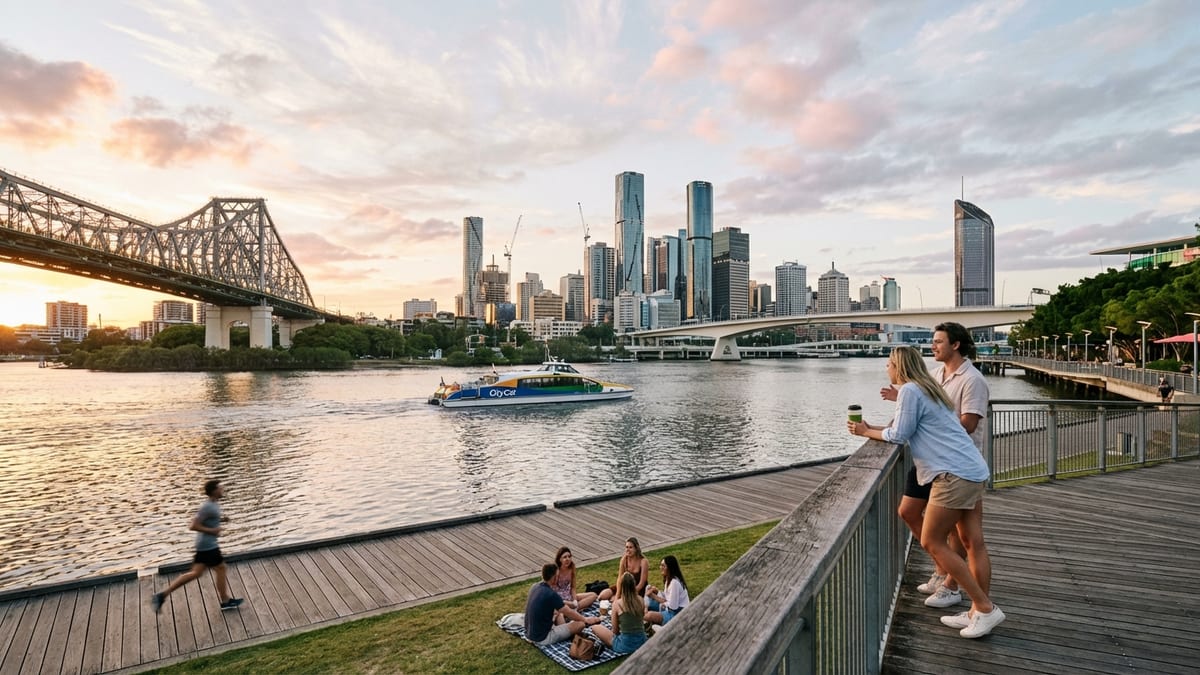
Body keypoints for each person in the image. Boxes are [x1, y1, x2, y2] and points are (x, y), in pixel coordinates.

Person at [850, 345, 1005, 638]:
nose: (887, 368)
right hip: (971, 469)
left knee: (933, 541)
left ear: (898, 366)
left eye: (888, 364)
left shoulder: (910, 390)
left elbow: (899, 435)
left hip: (952, 475)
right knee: (973, 542)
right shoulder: (929, 388)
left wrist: (865, 432)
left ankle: (985, 608)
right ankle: (975, 610)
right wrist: (875, 428)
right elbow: (918, 428)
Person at [882, 323, 992, 615]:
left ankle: (974, 602)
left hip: (954, 465)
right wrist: (908, 404)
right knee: (920, 518)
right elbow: (924, 411)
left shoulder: (972, 380)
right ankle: (973, 606)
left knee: (958, 539)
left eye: (939, 341)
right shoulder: (934, 378)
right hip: (942, 465)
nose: (933, 346)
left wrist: (923, 418)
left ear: (956, 345)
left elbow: (967, 424)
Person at [151, 479, 244, 613]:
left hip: (204, 546)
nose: (222, 489)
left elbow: (209, 519)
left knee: (196, 573)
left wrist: (222, 520)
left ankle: (162, 595)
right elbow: (193, 525)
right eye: (220, 487)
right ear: (214, 491)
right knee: (221, 568)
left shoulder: (214, 504)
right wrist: (212, 531)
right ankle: (225, 600)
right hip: (208, 546)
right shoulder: (207, 506)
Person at [524, 563, 606, 647]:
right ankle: (565, 632)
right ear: (554, 577)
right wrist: (585, 619)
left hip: (530, 633)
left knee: (558, 613)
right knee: (580, 624)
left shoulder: (535, 586)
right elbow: (568, 612)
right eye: (557, 575)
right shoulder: (550, 594)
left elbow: (561, 606)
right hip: (543, 638)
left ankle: (563, 629)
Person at [591, 572, 647, 654]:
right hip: (642, 642)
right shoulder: (641, 600)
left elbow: (615, 631)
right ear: (634, 585)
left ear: (620, 587)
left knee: (595, 627)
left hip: (625, 645)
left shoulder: (617, 604)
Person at [597, 537, 649, 602]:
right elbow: (619, 578)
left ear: (636, 548)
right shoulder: (624, 559)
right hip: (624, 586)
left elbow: (642, 583)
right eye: (626, 547)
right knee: (602, 596)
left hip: (637, 589)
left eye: (630, 547)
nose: (628, 550)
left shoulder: (643, 561)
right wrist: (618, 595)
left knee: (615, 600)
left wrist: (627, 594)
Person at [644, 555, 689, 626]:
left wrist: (653, 596)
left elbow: (672, 607)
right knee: (647, 605)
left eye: (663, 566)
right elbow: (667, 597)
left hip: (676, 614)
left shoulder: (675, 583)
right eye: (661, 565)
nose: (660, 568)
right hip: (669, 609)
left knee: (648, 615)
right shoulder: (668, 579)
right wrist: (657, 592)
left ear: (670, 568)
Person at [551, 546, 597, 611]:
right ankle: (570, 610)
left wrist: (575, 600)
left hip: (569, 595)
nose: (567, 559)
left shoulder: (571, 568)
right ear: (559, 559)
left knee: (593, 595)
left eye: (569, 556)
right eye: (565, 557)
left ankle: (574, 609)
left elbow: (573, 587)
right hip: (559, 599)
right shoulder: (555, 570)